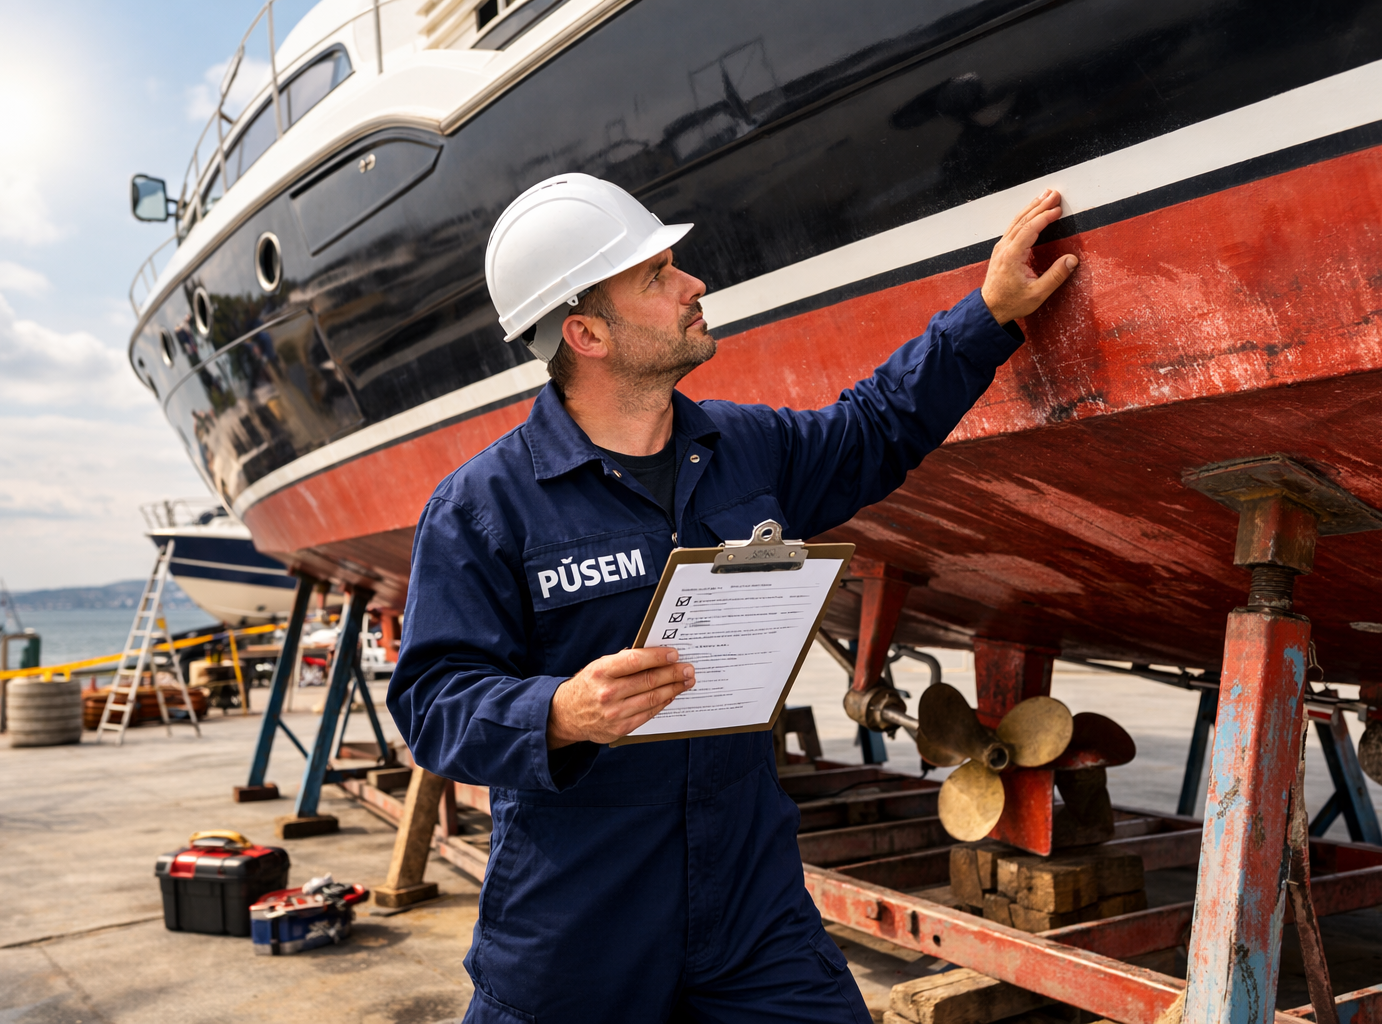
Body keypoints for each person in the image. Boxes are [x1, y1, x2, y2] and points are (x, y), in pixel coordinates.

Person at [387, 173, 1079, 1023]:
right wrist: (558, 712)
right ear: (585, 332)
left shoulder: (745, 449)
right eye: (658, 276)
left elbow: (876, 427)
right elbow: (430, 702)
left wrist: (989, 314)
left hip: (750, 905)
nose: (693, 286)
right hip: (579, 921)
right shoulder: (484, 508)